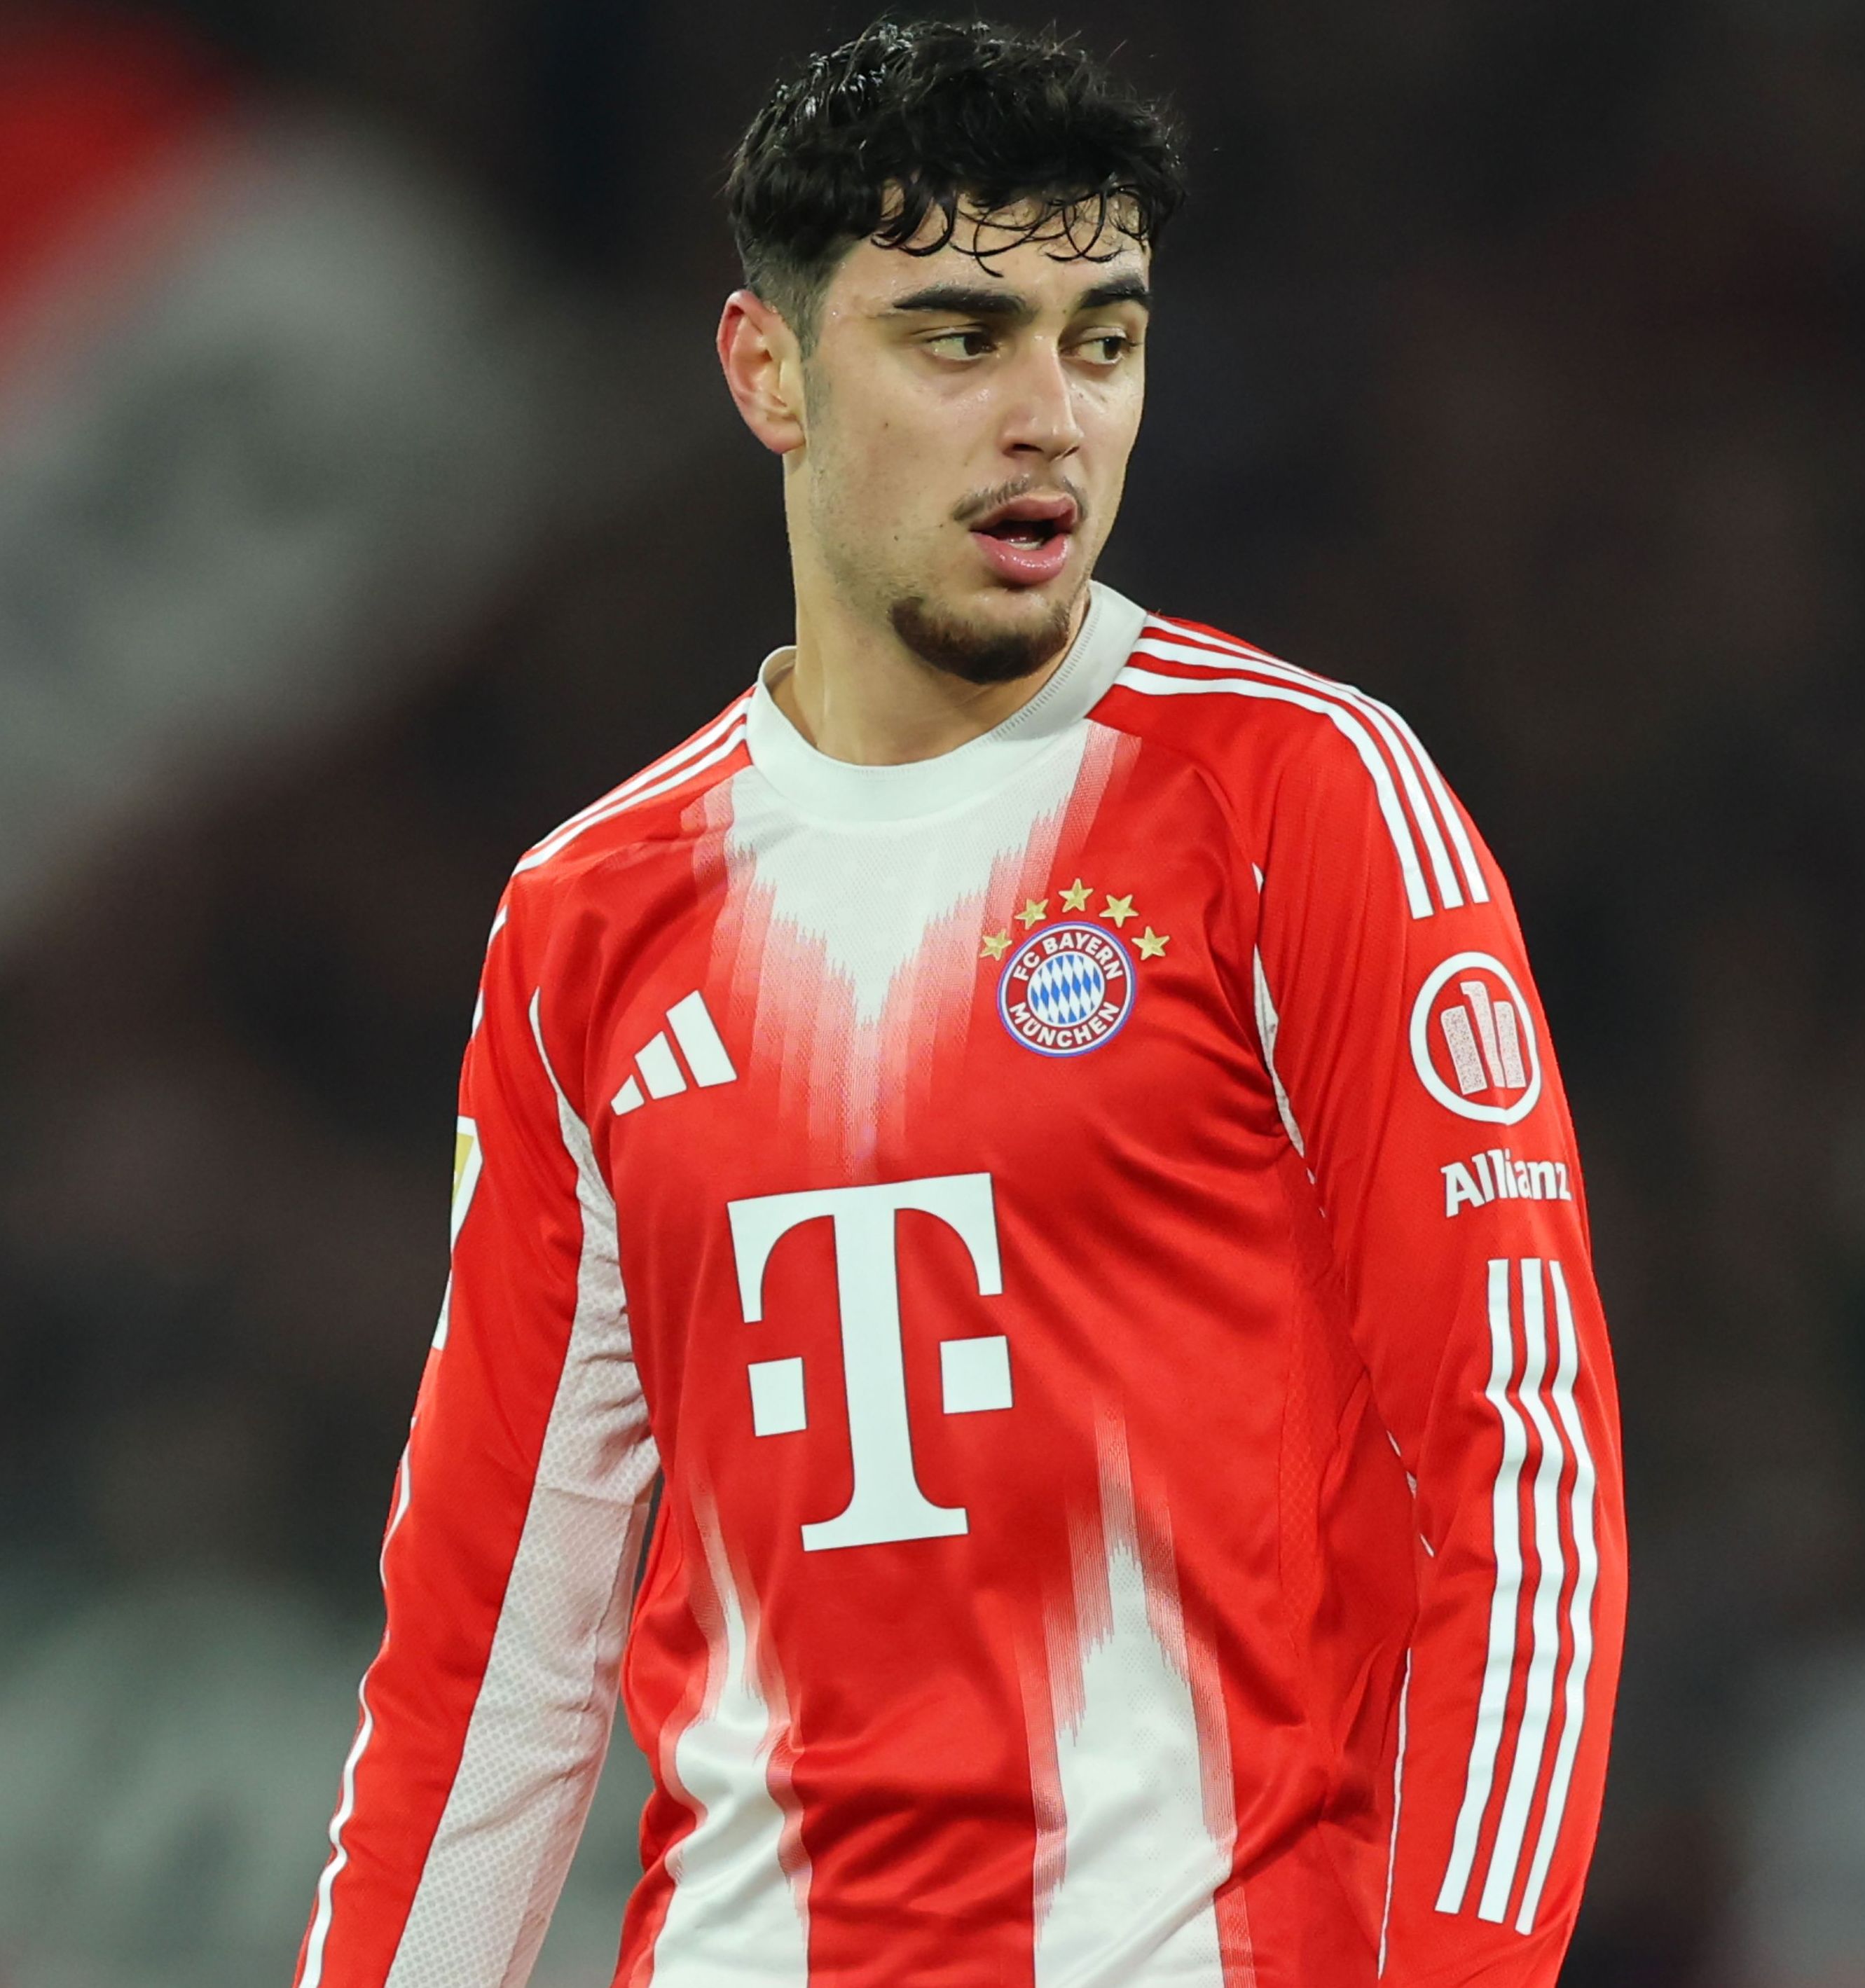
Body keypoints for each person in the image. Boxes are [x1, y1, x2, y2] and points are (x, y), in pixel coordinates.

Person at [294, 19, 1626, 1987]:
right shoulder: (590, 917)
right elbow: (496, 1644)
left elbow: (1525, 1477)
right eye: (960, 338)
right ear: (769, 370)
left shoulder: (1298, 800)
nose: (1051, 420)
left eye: (1104, 341)